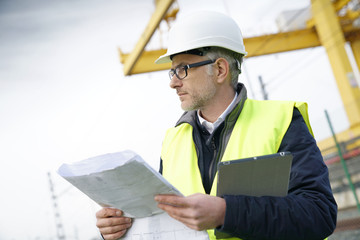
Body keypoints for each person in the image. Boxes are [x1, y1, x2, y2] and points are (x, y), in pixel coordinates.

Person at [96, 11, 337, 240]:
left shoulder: (281, 120)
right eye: (172, 72)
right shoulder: (173, 142)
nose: (173, 83)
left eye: (183, 69)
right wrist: (119, 228)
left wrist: (226, 213)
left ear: (220, 69)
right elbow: (163, 222)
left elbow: (318, 214)